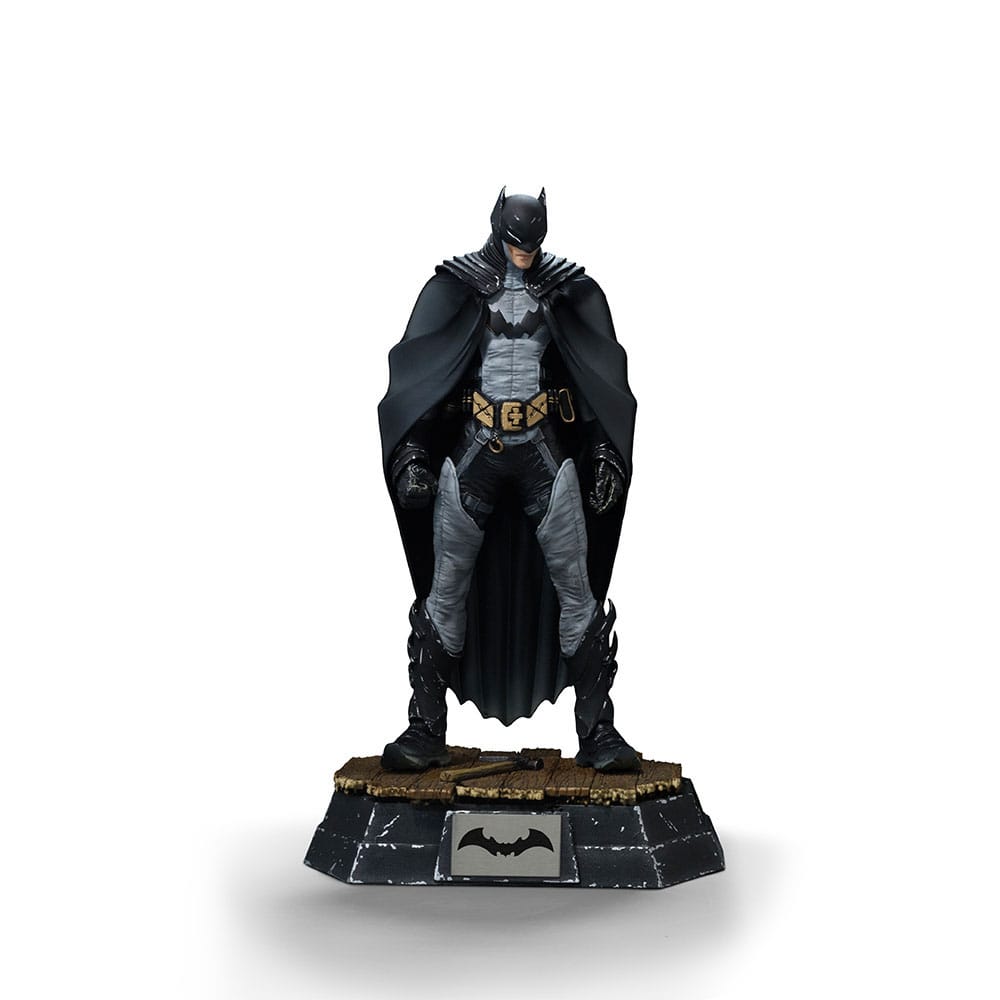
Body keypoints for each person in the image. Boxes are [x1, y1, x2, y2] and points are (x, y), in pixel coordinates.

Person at [377, 188, 640, 773]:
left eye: (533, 244)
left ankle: (598, 731)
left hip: (543, 452)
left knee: (577, 588)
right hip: (476, 451)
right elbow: (424, 379)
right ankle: (425, 728)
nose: (525, 254)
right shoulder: (458, 287)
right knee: (446, 588)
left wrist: (605, 453)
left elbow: (594, 379)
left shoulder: (567, 290)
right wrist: (413, 454)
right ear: (499, 230)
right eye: (518, 242)